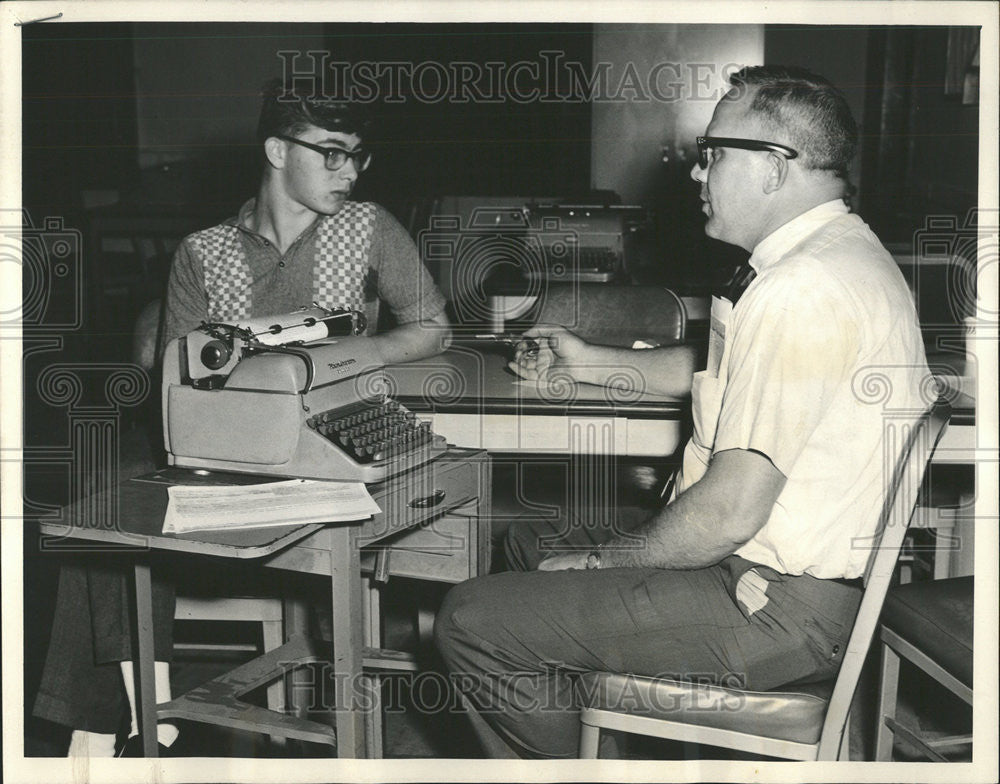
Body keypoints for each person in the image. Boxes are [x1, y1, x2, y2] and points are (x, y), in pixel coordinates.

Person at [434, 64, 933, 759]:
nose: (698, 174)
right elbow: (724, 380)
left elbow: (728, 513)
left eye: (714, 153)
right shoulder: (832, 255)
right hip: (775, 581)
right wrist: (588, 361)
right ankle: (601, 738)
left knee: (471, 618)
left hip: (775, 609)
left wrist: (602, 563)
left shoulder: (803, 288)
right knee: (528, 548)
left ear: (773, 167)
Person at [33, 79, 451, 757]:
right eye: (333, 154)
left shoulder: (369, 227)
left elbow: (433, 327)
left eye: (358, 157)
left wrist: (348, 354)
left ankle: (108, 724)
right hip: (228, 447)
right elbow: (179, 390)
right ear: (277, 151)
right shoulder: (203, 252)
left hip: (326, 435)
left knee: (109, 499)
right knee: (101, 499)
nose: (349, 172)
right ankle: (135, 714)